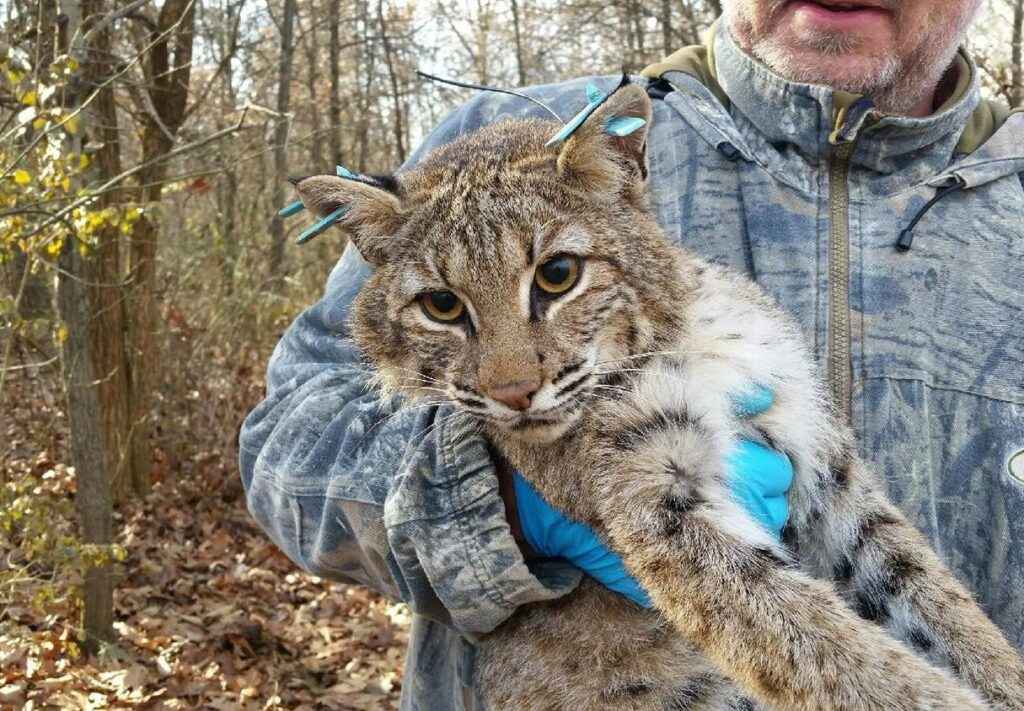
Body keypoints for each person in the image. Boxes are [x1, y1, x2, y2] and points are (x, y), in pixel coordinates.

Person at [239, 0, 1024, 708]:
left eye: (555, 275)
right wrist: (496, 503)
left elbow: (872, 536)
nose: (515, 378)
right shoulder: (504, 142)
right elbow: (285, 447)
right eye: (446, 305)